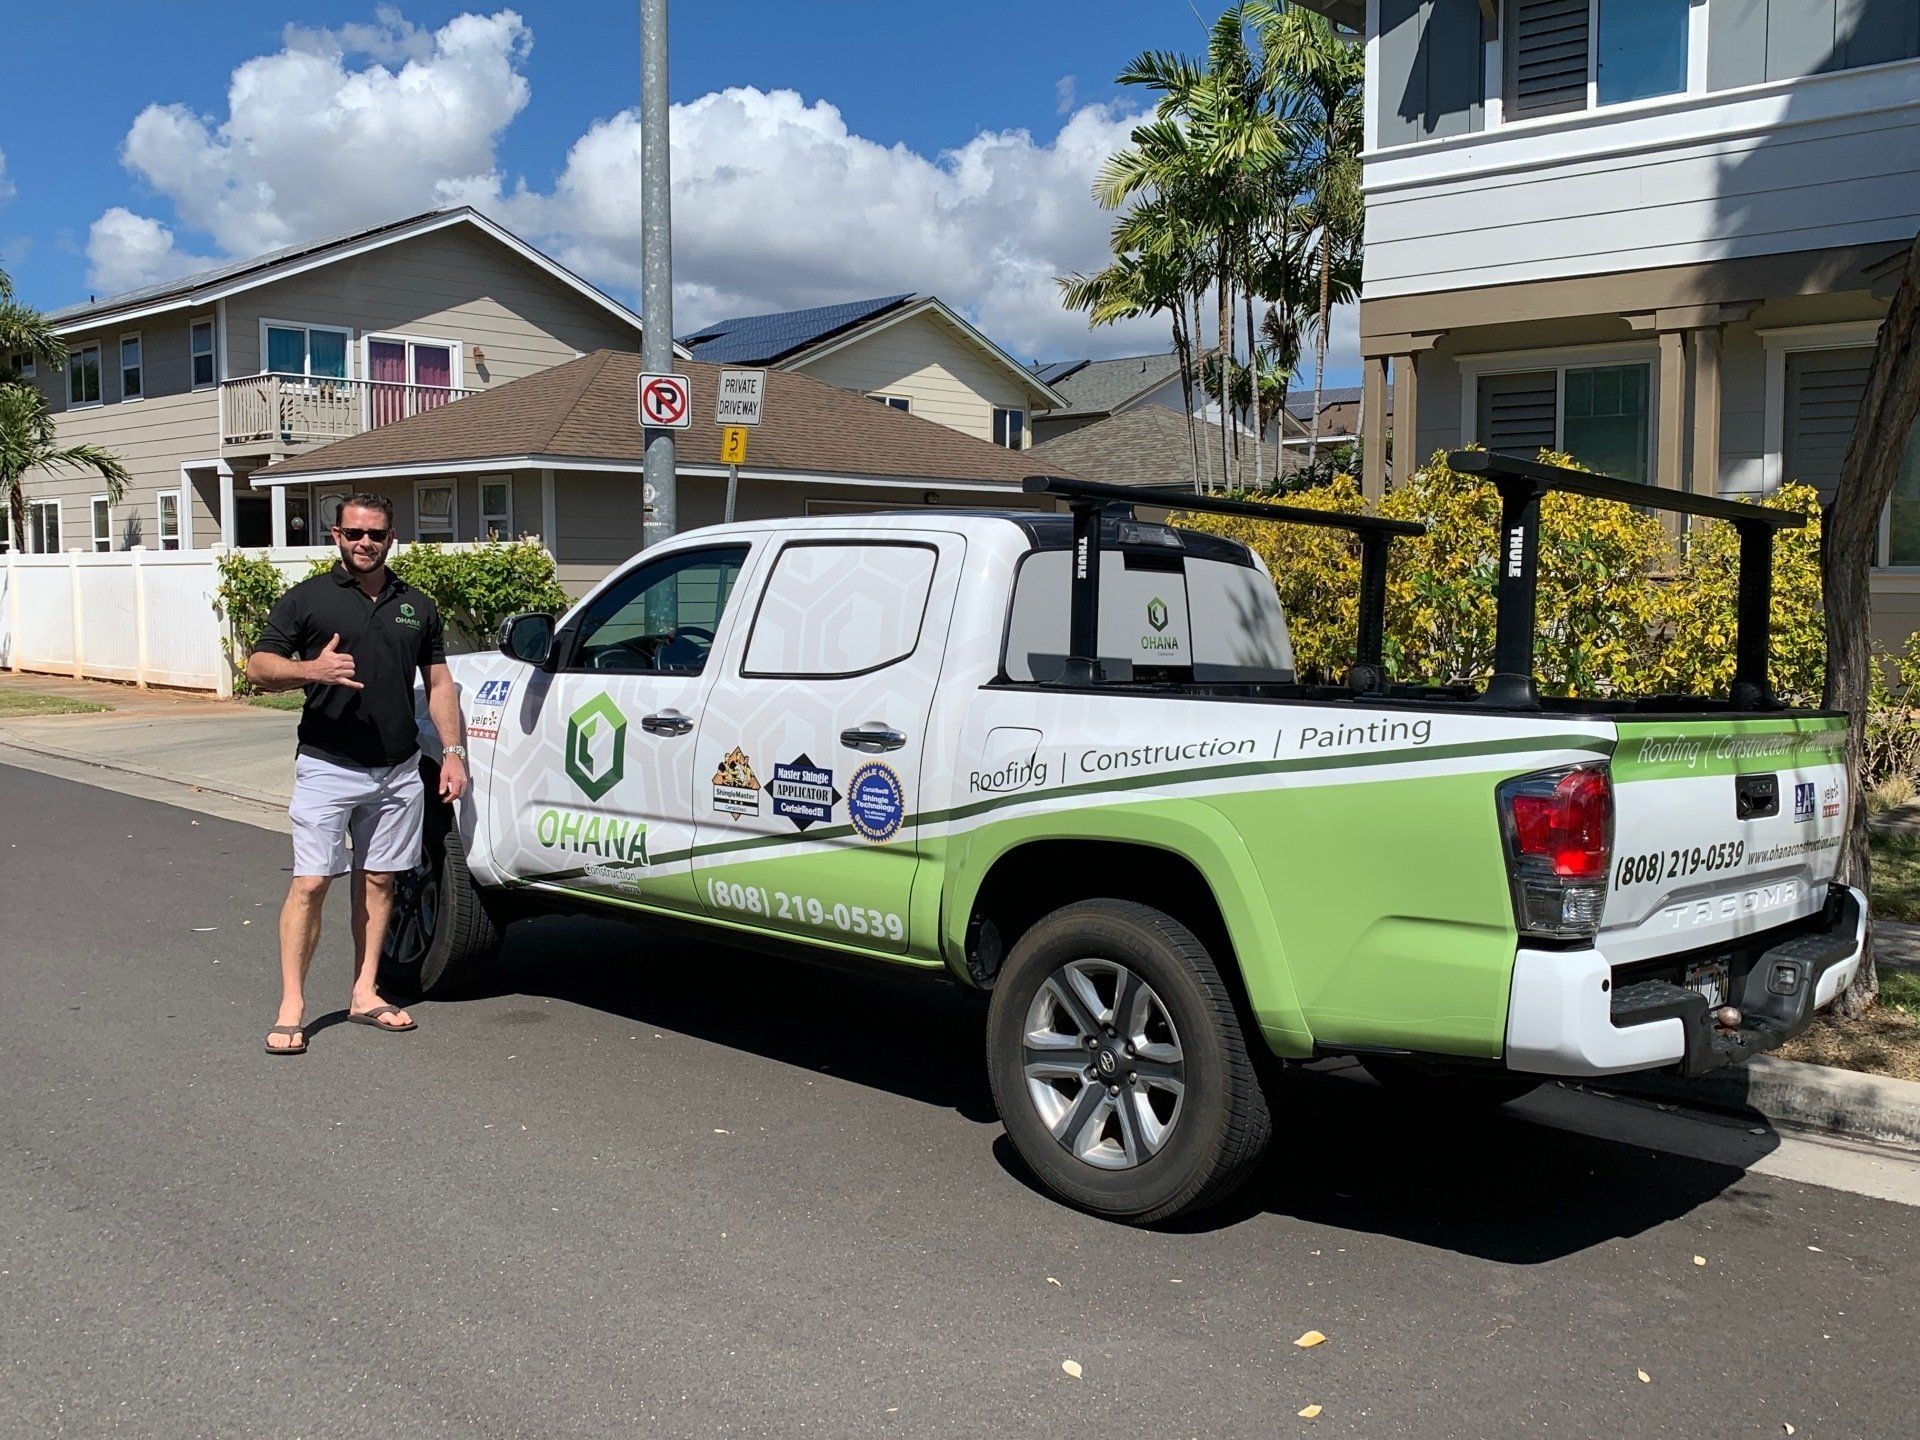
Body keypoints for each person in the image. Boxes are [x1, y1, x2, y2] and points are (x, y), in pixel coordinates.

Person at [247, 494, 468, 1055]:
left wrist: (453, 752)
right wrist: (310, 670)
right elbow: (258, 667)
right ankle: (292, 1003)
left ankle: (365, 991)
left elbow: (440, 684)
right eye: (353, 533)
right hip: (327, 764)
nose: (363, 542)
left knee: (380, 880)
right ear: (336, 536)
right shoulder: (308, 600)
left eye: (374, 534)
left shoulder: (415, 605)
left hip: (396, 771)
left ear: (391, 537)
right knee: (312, 882)